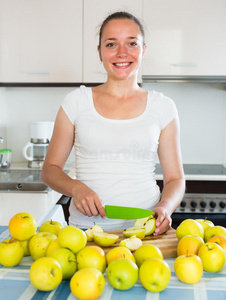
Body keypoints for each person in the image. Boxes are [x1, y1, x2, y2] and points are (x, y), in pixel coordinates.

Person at [41, 11, 185, 235]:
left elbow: (175, 178)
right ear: (99, 52)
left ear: (143, 50)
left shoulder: (163, 106)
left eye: (132, 43)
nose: (122, 53)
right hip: (86, 231)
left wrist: (165, 207)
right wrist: (75, 187)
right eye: (111, 44)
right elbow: (49, 171)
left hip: (145, 230)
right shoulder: (76, 102)